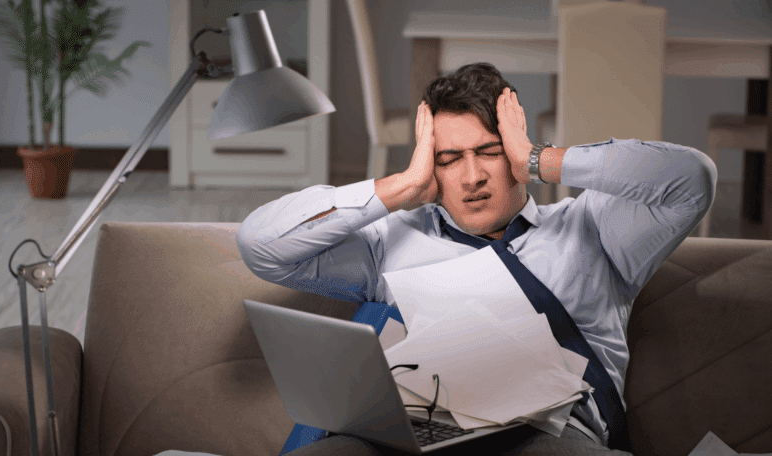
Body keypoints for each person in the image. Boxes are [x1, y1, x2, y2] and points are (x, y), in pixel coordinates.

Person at [237, 62, 717, 455]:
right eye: (447, 159)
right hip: (411, 433)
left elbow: (690, 178)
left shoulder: (593, 229)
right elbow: (261, 246)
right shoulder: (392, 241)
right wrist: (403, 186)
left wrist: (539, 159)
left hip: (545, 435)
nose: (471, 178)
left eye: (488, 151)